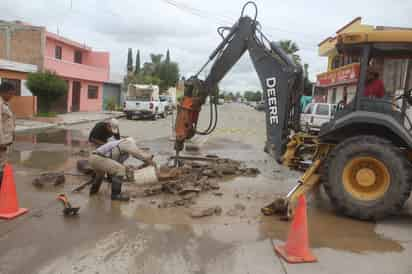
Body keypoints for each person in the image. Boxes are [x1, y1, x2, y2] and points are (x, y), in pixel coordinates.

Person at [88, 137, 155, 201]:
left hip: (93, 158)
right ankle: (115, 195)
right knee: (120, 170)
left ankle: (93, 191)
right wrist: (149, 161)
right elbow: (137, 154)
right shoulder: (127, 142)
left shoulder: (118, 147)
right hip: (98, 158)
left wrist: (130, 169)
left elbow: (116, 164)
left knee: (100, 175)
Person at [0, 82, 16, 187]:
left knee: (2, 166)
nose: (12, 96)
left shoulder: (5, 104)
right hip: (1, 144)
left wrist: (12, 133)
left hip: (5, 142)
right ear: (3, 92)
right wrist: (1, 143)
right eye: (10, 93)